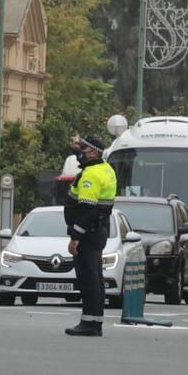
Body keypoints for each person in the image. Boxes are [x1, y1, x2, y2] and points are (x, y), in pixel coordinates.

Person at [63, 134, 116, 337]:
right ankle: (94, 322)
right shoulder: (105, 168)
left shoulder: (91, 175)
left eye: (84, 150)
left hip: (89, 233)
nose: (80, 154)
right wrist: (77, 146)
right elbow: (82, 156)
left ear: (93, 152)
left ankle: (89, 324)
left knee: (88, 279)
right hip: (98, 231)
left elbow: (87, 210)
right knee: (96, 278)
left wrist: (75, 237)